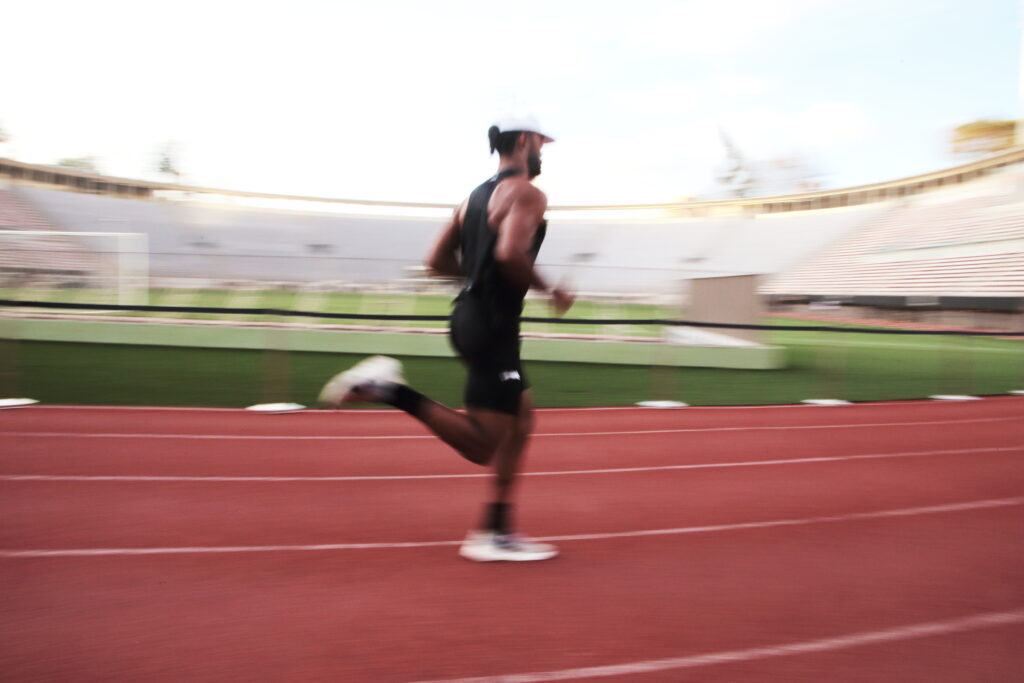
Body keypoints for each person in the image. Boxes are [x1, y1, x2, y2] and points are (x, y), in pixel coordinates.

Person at [319, 114, 574, 562]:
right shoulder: (528, 193)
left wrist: (476, 275)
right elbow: (509, 253)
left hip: (469, 317)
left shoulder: (471, 198)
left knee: (522, 419)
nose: (542, 153)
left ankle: (497, 528)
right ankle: (388, 390)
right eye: (540, 144)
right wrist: (551, 291)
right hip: (492, 326)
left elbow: (434, 260)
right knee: (481, 445)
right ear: (524, 141)